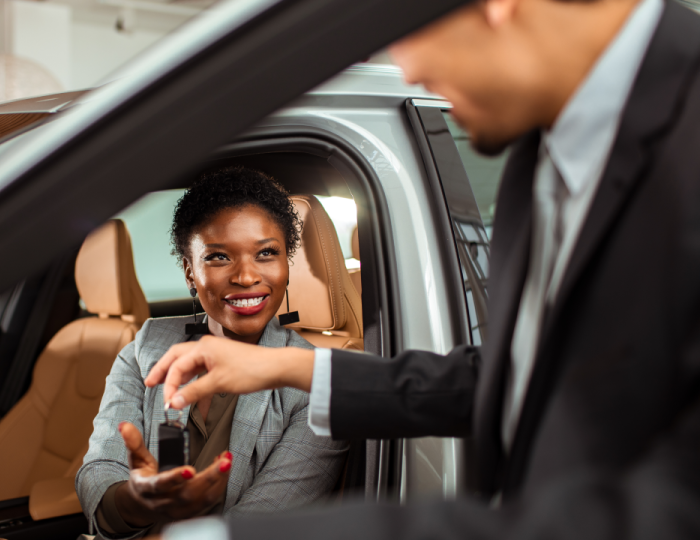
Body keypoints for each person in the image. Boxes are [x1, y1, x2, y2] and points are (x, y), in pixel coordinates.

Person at [145, 0, 700, 538]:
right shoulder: (543, 153)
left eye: (400, 24)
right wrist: (284, 369)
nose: (408, 67)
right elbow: (512, 378)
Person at [75, 167, 348, 538]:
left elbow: (264, 522)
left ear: (288, 263)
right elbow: (100, 469)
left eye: (267, 253)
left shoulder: (314, 382)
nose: (247, 277)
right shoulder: (147, 345)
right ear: (190, 272)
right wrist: (136, 502)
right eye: (219, 257)